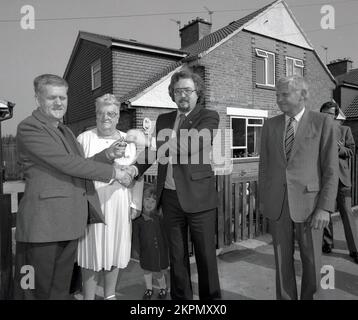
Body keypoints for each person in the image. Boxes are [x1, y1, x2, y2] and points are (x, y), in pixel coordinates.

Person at [14, 74, 131, 300]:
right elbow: (68, 164)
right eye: (52, 98)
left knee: (59, 291)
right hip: (42, 228)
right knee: (32, 291)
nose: (59, 103)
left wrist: (107, 155)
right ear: (38, 99)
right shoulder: (29, 128)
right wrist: (114, 172)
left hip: (69, 224)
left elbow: (81, 164)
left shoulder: (66, 131)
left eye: (63, 97)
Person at [126, 69, 221, 300]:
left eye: (188, 90)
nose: (183, 95)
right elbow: (152, 153)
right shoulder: (164, 119)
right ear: (172, 95)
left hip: (199, 198)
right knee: (176, 259)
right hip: (169, 198)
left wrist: (149, 140)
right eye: (178, 91)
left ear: (197, 92)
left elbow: (190, 145)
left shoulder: (209, 116)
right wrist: (133, 169)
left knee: (206, 257)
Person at [258, 75, 339, 300]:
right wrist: (264, 201)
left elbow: (331, 169)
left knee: (313, 261)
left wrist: (325, 208)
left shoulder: (323, 122)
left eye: (284, 94)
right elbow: (264, 166)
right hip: (278, 205)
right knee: (281, 261)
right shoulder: (270, 125)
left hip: (311, 206)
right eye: (277, 95)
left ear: (303, 95)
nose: (279, 99)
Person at [76, 93, 143, 300]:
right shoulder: (84, 139)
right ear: (96, 115)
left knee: (115, 249)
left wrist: (135, 203)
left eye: (111, 114)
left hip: (119, 204)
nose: (106, 118)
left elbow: (136, 175)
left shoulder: (128, 142)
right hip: (92, 204)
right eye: (102, 113)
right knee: (90, 252)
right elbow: (76, 169)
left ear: (117, 117)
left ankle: (110, 295)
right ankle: (88, 297)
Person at [320, 101, 358, 263]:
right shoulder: (318, 132)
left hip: (342, 180)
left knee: (347, 215)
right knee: (325, 213)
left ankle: (355, 249)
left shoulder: (344, 130)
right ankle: (327, 243)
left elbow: (351, 151)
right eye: (326, 113)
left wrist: (338, 148)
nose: (329, 116)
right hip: (325, 180)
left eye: (332, 114)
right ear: (321, 113)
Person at [133, 182, 169, 300]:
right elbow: (136, 237)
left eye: (153, 201)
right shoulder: (138, 219)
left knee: (158, 273)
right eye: (147, 199)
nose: (149, 203)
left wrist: (167, 249)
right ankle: (149, 289)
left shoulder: (159, 218)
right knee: (146, 271)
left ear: (157, 204)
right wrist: (137, 251)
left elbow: (165, 235)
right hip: (145, 252)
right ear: (142, 200)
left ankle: (163, 288)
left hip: (159, 253)